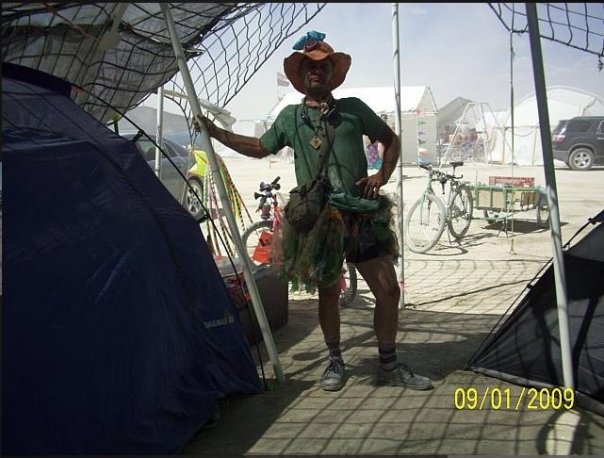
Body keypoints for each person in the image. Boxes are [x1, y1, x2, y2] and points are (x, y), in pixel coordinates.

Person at [194, 31, 432, 392]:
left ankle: (388, 364)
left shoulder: (354, 109)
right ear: (302, 75)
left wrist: (381, 175)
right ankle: (335, 360)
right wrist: (214, 132)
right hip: (319, 217)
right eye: (309, 67)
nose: (316, 71)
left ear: (333, 73)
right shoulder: (291, 118)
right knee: (327, 293)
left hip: (363, 214)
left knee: (388, 290)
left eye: (323, 66)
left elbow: (391, 140)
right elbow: (260, 147)